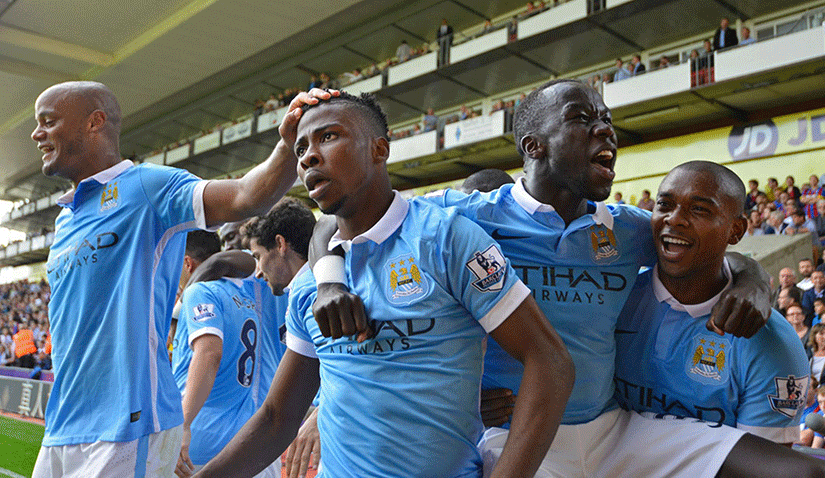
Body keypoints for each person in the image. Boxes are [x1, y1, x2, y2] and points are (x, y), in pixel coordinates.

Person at [311, 80, 776, 477]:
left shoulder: (629, 229)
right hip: (512, 435)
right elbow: (333, 222)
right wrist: (329, 281)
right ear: (533, 146)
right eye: (582, 118)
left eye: (607, 119)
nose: (604, 128)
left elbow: (710, 250)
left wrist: (753, 278)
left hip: (611, 428)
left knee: (794, 468)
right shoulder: (463, 218)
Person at [195, 92, 574, 478]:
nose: (308, 156)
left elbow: (551, 362)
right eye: (301, 147)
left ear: (379, 149)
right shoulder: (311, 282)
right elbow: (278, 417)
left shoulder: (446, 239)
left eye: (328, 137)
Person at [29, 81, 329, 477]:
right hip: (62, 426)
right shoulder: (66, 218)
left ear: (94, 122)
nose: (37, 134)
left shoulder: (146, 187)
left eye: (48, 122)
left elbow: (245, 196)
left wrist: (289, 143)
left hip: (126, 429)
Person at [615, 161, 810, 450]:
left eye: (699, 209)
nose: (675, 219)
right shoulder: (612, 301)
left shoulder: (772, 342)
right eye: (665, 204)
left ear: (736, 230)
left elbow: (760, 466)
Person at [172, 235, 281, 478]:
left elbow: (209, 354)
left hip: (199, 444)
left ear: (188, 264)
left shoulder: (200, 292)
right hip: (252, 444)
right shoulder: (259, 292)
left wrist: (184, 423)